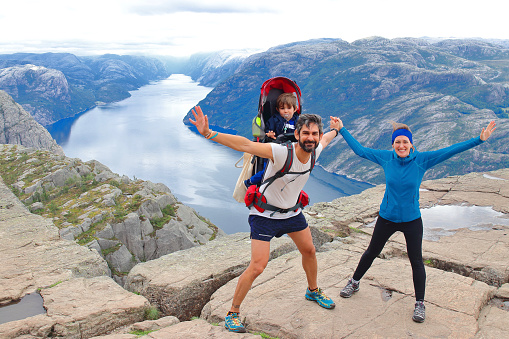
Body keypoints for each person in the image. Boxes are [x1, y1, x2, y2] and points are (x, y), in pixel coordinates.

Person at [190, 105, 341, 333]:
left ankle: (313, 290)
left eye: (315, 134)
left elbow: (328, 138)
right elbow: (246, 145)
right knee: (258, 266)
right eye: (306, 133)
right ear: (297, 134)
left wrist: (336, 129)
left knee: (309, 251)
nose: (311, 138)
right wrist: (209, 133)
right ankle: (233, 312)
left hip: (292, 212)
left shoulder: (317, 149)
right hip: (264, 214)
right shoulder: (282, 152)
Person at [336, 119, 496, 323]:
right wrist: (342, 129)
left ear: (411, 144)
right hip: (387, 217)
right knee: (371, 252)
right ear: (392, 145)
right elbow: (360, 150)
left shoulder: (422, 160)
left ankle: (420, 303)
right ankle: (354, 282)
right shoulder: (386, 158)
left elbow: (451, 150)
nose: (401, 146)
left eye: (405, 142)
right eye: (397, 143)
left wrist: (479, 140)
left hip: (411, 219)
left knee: (416, 261)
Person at [245, 93, 299, 187]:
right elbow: (268, 131)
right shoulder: (274, 120)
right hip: (274, 149)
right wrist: (269, 134)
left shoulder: (298, 122)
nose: (286, 111)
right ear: (278, 109)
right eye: (282, 108)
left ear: (295, 109)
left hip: (290, 151)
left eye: (289, 108)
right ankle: (250, 182)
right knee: (267, 171)